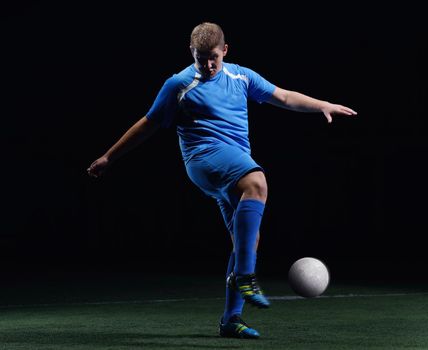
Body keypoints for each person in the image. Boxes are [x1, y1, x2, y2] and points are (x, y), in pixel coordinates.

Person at [87, 22, 357, 339]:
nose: (209, 64)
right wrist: (109, 156)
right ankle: (245, 276)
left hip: (231, 163)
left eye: (213, 57)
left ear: (225, 50)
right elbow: (149, 123)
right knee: (257, 181)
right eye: (201, 58)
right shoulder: (178, 84)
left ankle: (231, 319)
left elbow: (282, 97)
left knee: (247, 241)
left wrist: (321, 105)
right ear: (192, 53)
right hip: (203, 159)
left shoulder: (241, 76)